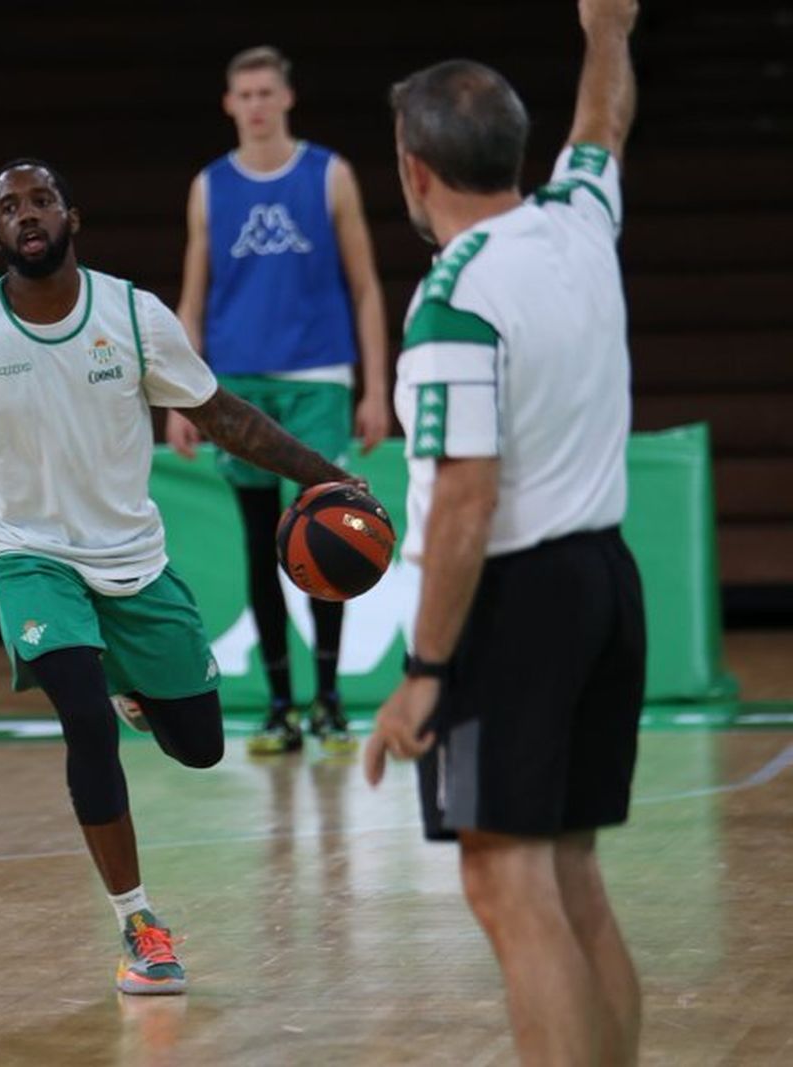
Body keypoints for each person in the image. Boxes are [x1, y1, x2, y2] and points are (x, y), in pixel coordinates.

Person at [0, 159, 354, 995]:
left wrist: (322, 477)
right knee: (85, 722)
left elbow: (222, 416)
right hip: (29, 554)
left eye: (40, 200)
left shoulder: (135, 316)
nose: (26, 215)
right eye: (9, 207)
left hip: (132, 558)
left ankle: (133, 686)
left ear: (73, 215)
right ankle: (139, 922)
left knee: (202, 747)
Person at [363, 2, 645, 1062]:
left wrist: (427, 666)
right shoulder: (576, 219)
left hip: (515, 603)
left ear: (414, 169)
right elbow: (603, 130)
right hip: (605, 582)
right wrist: (606, 31)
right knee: (569, 878)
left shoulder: (453, 301)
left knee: (505, 882)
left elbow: (468, 499)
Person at [166, 46, 392, 757]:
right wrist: (180, 395)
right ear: (230, 104)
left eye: (268, 91)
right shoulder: (209, 186)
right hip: (236, 387)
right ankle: (278, 706)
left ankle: (328, 702)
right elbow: (192, 299)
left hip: (319, 375)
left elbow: (365, 286)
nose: (258, 104)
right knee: (262, 541)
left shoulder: (330, 176)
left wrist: (375, 387)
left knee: (330, 528)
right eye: (245, 94)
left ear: (287, 98)